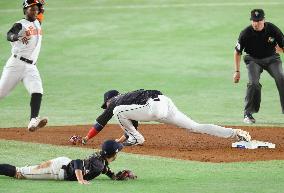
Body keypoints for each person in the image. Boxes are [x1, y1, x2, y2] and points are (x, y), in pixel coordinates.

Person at [81, 89, 251, 146]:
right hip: (164, 102)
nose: (107, 106)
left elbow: (101, 122)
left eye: (106, 104)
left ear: (108, 99)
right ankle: (234, 133)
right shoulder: (129, 99)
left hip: (153, 107)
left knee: (117, 110)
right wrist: (121, 140)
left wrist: (86, 138)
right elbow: (132, 124)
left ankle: (137, 140)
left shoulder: (115, 102)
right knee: (194, 126)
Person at [0, 0, 48, 131]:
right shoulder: (20, 24)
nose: (34, 11)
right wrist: (15, 37)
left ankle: (33, 121)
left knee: (37, 90)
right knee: (1, 93)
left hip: (31, 67)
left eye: (36, 9)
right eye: (31, 9)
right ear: (25, 10)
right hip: (16, 64)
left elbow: (41, 12)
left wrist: (40, 5)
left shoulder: (37, 22)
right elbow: (9, 35)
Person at [0, 140, 134, 184]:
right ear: (113, 153)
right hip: (58, 169)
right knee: (19, 173)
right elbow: (77, 162)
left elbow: (105, 170)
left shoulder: (101, 162)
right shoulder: (98, 163)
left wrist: (117, 176)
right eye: (118, 151)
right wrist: (80, 179)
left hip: (63, 164)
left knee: (23, 171)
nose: (119, 152)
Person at [233, 9, 284, 124]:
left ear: (264, 20)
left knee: (282, 78)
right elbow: (237, 52)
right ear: (251, 21)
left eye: (259, 20)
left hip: (272, 59)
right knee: (253, 83)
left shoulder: (273, 29)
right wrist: (237, 71)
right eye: (254, 21)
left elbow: (283, 46)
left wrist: (280, 49)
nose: (256, 23)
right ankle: (248, 114)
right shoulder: (245, 33)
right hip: (253, 60)